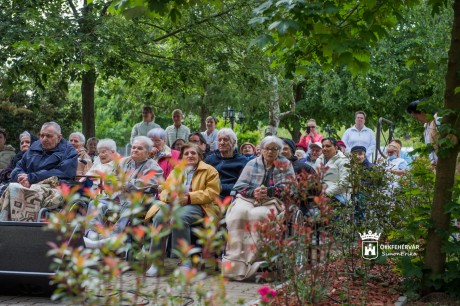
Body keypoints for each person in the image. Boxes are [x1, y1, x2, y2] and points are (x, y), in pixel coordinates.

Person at [222, 136, 296, 280]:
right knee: (238, 213)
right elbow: (239, 186)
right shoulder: (251, 164)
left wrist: (270, 191)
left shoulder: (285, 164)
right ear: (261, 150)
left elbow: (291, 188)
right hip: (249, 198)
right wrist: (253, 192)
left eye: (274, 149)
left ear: (279, 151)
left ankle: (258, 262)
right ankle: (235, 261)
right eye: (267, 148)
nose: (270, 152)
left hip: (273, 200)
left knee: (260, 216)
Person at [144, 143, 221, 277]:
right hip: (174, 204)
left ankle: (185, 262)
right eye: (186, 154)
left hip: (200, 205)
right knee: (159, 217)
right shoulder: (176, 171)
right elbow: (164, 190)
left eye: (193, 153)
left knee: (179, 218)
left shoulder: (210, 170)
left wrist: (189, 197)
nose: (190, 156)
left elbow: (212, 193)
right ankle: (156, 262)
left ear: (199, 156)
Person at [84, 136, 164, 246]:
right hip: (117, 198)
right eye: (133, 147)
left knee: (129, 205)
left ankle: (112, 238)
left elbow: (146, 182)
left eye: (139, 148)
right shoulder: (123, 162)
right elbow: (110, 179)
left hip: (139, 201)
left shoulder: (153, 167)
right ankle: (91, 235)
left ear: (148, 152)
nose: (135, 150)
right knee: (95, 203)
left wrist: (125, 184)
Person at [0, 122, 78, 221]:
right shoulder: (34, 146)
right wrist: (22, 178)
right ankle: (5, 229)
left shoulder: (69, 151)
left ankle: (25, 230)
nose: (44, 139)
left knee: (24, 191)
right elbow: (18, 167)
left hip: (54, 187)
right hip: (27, 184)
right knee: (11, 188)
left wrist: (31, 178)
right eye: (42, 135)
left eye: (49, 136)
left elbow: (64, 173)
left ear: (59, 137)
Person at [204, 128, 249, 200]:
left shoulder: (243, 161)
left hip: (230, 197)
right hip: (208, 194)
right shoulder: (210, 159)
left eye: (225, 140)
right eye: (219, 140)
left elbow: (243, 185)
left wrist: (221, 187)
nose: (222, 142)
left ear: (234, 142)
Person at [0, 131, 38, 196]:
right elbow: (5, 172)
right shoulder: (16, 158)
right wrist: (9, 174)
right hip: (9, 182)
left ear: (34, 143)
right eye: (22, 143)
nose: (24, 144)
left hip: (26, 184)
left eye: (27, 142)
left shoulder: (37, 157)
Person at [315, 138, 349, 205]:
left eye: (328, 146)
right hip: (320, 195)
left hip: (339, 196)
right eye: (323, 146)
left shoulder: (344, 161)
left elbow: (344, 183)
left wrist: (325, 192)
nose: (324, 148)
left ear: (336, 147)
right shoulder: (319, 160)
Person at [406, 100, 439, 166]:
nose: (417, 120)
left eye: (416, 117)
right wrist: (432, 160)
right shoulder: (426, 126)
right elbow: (430, 147)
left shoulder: (438, 120)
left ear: (422, 112)